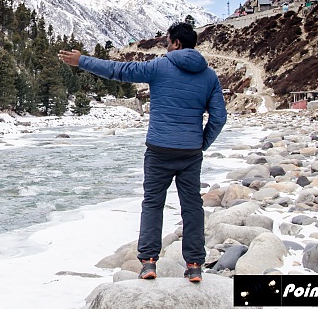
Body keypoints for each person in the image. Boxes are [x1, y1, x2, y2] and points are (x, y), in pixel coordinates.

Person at [58, 22, 227, 283]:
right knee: (192, 206)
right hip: (190, 152)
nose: (166, 46)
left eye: (167, 42)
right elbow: (219, 117)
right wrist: (201, 143)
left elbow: (119, 71)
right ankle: (194, 265)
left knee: (152, 203)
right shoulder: (209, 76)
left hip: (159, 150)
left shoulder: (160, 66)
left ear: (177, 43)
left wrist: (82, 61)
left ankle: (148, 263)